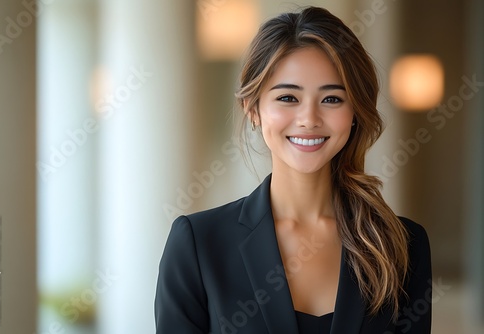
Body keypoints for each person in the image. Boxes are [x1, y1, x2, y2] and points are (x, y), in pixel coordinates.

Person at [155, 6, 431, 334]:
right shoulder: (198, 245)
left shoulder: (403, 246)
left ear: (355, 111)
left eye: (331, 99)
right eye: (288, 97)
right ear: (253, 108)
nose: (309, 119)